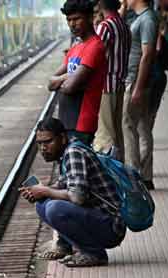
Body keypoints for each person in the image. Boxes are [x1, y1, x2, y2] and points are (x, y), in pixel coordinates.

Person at [22, 117, 125, 267]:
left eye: (48, 142)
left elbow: (77, 197)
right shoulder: (66, 152)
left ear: (62, 138)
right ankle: (65, 246)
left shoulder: (74, 153)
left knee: (54, 208)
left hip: (111, 227)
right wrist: (38, 192)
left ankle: (94, 254)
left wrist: (44, 190)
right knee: (42, 204)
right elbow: (62, 185)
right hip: (99, 218)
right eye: (40, 143)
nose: (43, 148)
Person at [49, 0, 108, 144]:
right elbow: (51, 83)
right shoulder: (76, 48)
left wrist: (65, 81)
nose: (72, 24)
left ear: (89, 18)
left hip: (82, 122)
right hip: (67, 122)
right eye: (68, 20)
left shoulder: (94, 47)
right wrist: (69, 76)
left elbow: (69, 87)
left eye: (76, 19)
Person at [122, 0, 159, 189]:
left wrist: (137, 86)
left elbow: (148, 55)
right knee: (142, 127)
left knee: (129, 126)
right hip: (136, 80)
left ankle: (135, 176)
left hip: (136, 80)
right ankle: (144, 176)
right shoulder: (142, 18)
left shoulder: (147, 19)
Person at [93, 0, 131, 158]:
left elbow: (95, 53)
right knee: (117, 134)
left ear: (101, 4)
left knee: (105, 136)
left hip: (106, 86)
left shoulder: (106, 26)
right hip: (119, 84)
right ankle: (120, 170)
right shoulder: (123, 25)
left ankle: (109, 174)